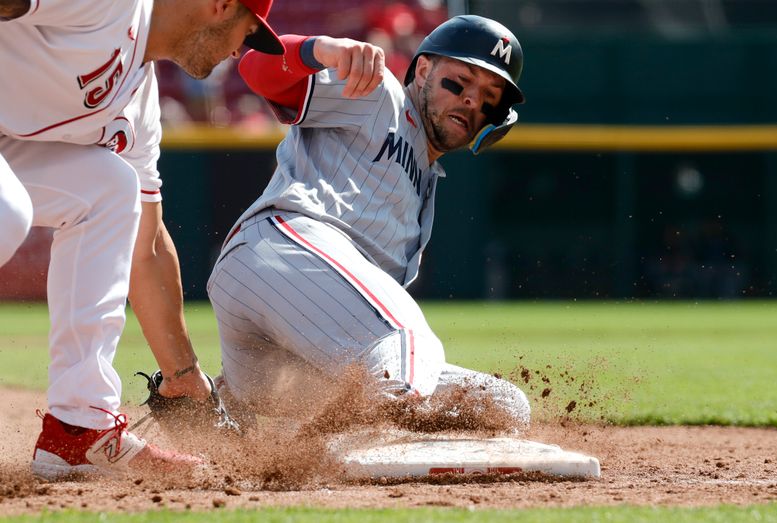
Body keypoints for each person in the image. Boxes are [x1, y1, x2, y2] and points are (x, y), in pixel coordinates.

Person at [0, 0, 283, 480]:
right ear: (219, 6)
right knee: (9, 212)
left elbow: (146, 247)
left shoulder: (138, 103)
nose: (240, 52)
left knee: (109, 189)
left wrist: (184, 377)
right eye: (247, 32)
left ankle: (78, 429)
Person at [207, 15, 532, 427]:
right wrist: (320, 49)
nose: (471, 100)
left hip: (277, 354)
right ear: (425, 69)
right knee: (406, 339)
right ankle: (385, 423)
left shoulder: (424, 184)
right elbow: (256, 67)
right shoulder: (381, 95)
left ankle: (217, 412)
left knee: (501, 405)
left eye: (489, 97)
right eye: (459, 82)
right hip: (279, 247)